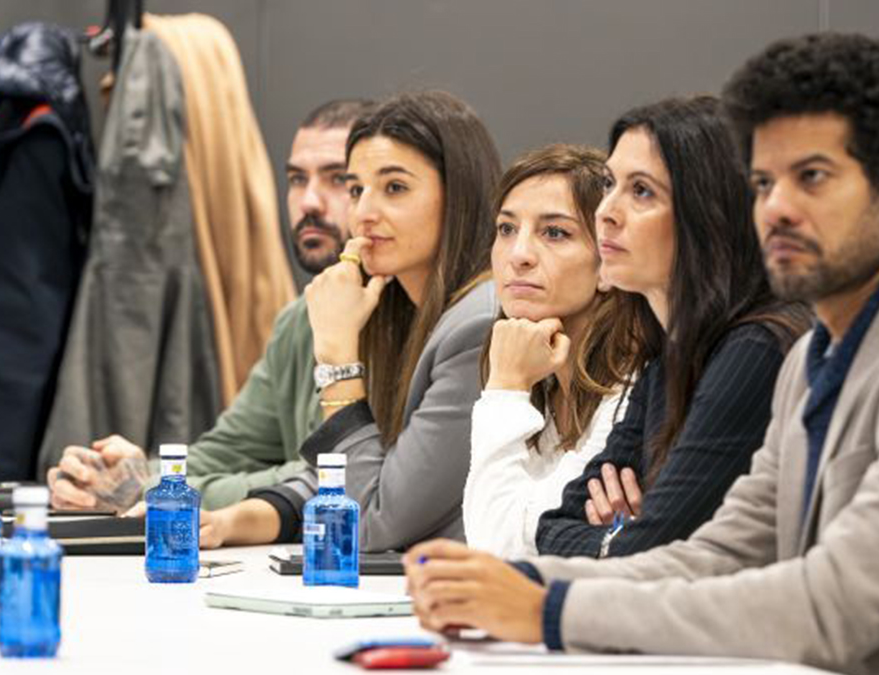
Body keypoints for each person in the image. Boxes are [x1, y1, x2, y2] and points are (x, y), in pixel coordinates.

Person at [403, 34, 879, 674]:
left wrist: (550, 611)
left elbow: (830, 606)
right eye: (762, 182)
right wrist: (528, 588)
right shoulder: (820, 357)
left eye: (810, 177)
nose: (775, 207)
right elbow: (714, 556)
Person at [198, 91, 502, 552]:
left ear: (458, 196)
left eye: (394, 188)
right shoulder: (392, 308)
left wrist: (337, 359)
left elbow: (371, 522)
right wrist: (229, 522)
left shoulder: (477, 326)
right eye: (357, 189)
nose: (362, 213)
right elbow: (348, 470)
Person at [47, 98, 375, 511]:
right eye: (295, 179)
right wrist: (121, 478)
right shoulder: (297, 320)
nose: (308, 202)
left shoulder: (409, 317)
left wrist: (153, 491)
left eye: (338, 179)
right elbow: (226, 449)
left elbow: (332, 480)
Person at [528, 96, 810, 559]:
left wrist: (620, 540)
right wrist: (621, 541)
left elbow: (657, 550)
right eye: (608, 183)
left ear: (708, 213)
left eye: (641, 192)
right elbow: (552, 529)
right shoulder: (668, 358)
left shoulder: (757, 350)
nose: (606, 212)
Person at [463, 144, 642, 558]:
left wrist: (505, 389)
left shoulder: (632, 391)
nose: (518, 255)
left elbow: (499, 547)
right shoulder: (540, 373)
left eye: (555, 232)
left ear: (607, 263)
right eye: (506, 229)